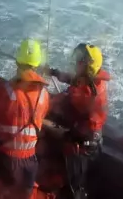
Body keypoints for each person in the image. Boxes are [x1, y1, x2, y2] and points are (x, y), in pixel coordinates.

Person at [0, 38, 50, 199]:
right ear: (36, 64)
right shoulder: (44, 95)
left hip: (6, 159)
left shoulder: (7, 91)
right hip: (31, 162)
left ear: (17, 62)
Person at [49, 43, 110, 199]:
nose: (77, 63)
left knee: (75, 186)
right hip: (93, 138)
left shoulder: (86, 95)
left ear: (88, 67)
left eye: (80, 61)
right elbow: (75, 80)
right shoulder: (95, 81)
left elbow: (59, 103)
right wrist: (55, 73)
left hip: (82, 145)